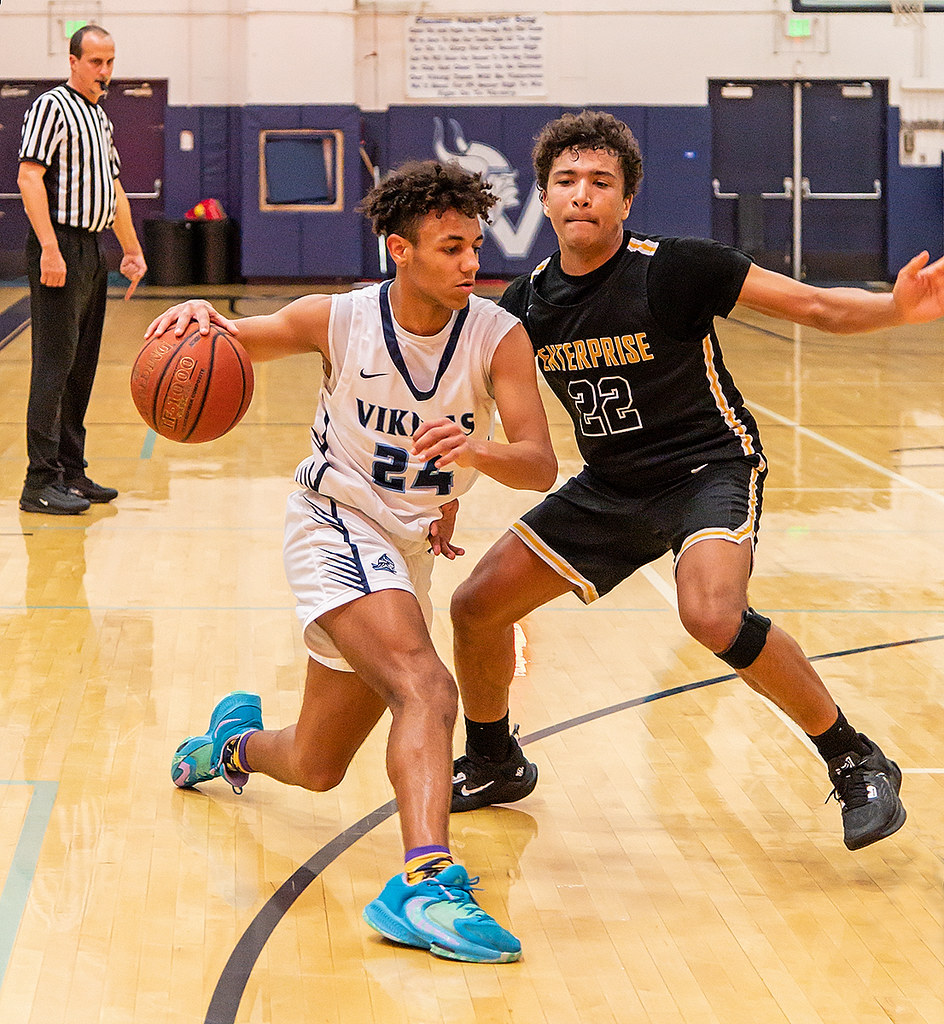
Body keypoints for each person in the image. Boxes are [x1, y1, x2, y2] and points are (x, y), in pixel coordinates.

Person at [449, 109, 944, 852]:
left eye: (600, 182)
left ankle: (852, 757)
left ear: (626, 199)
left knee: (711, 614)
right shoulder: (520, 308)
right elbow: (477, 421)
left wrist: (895, 310)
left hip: (707, 467)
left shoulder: (675, 267)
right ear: (544, 199)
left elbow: (809, 305)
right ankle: (493, 761)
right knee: (476, 606)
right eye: (566, 181)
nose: (582, 194)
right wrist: (445, 505)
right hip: (610, 486)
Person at [144, 160, 557, 963]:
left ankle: (226, 748)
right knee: (427, 686)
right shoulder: (336, 320)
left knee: (316, 764)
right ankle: (425, 885)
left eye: (475, 245)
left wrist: (477, 454)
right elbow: (227, 340)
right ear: (400, 249)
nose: (472, 263)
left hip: (406, 549)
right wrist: (197, 313)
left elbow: (539, 461)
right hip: (333, 523)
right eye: (450, 247)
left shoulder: (498, 333)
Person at [17, 24, 146, 515]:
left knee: (81, 366)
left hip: (92, 250)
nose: (105, 73)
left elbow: (113, 193)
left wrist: (131, 250)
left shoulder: (100, 118)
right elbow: (30, 178)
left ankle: (72, 471)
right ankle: (38, 481)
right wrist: (50, 248)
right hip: (60, 246)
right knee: (53, 365)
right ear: (73, 62)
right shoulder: (51, 107)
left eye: (111, 62)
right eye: (96, 63)